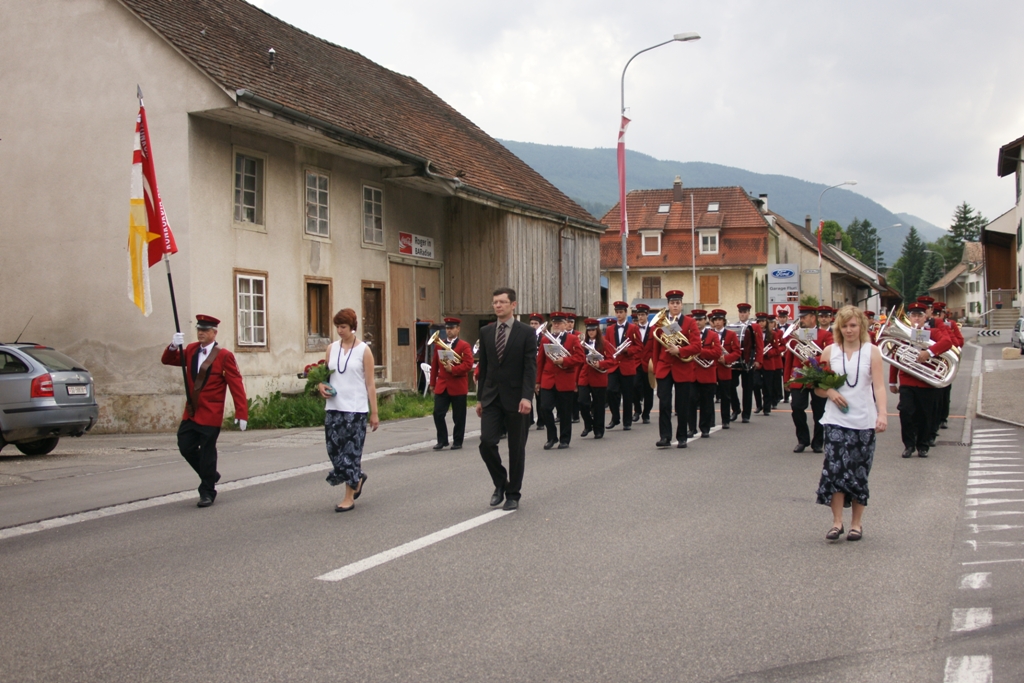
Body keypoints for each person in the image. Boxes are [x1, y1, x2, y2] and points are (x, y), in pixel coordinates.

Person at [815, 305, 887, 542]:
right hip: (835, 420)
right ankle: (837, 523)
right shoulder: (829, 351)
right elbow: (817, 387)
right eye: (844, 326)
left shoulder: (872, 351)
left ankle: (857, 524)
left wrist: (882, 414)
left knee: (858, 472)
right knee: (835, 470)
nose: (849, 330)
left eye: (853, 325)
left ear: (861, 327)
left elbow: (878, 386)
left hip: (863, 421)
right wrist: (831, 392)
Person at [161, 315, 248, 508]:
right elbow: (168, 360)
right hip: (192, 411)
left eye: (205, 330)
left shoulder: (224, 355)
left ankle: (207, 491)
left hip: (211, 413)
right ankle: (210, 474)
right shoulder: (191, 349)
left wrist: (241, 413)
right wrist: (173, 346)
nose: (201, 333)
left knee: (208, 452)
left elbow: (236, 385)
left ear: (214, 333)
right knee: (185, 446)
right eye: (199, 329)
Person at [476, 287, 538, 511]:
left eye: (502, 302)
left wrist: (527, 397)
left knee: (516, 448)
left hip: (516, 398)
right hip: (492, 397)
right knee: (487, 443)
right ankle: (501, 483)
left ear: (513, 305)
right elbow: (484, 367)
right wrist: (480, 398)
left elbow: (530, 367)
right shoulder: (485, 332)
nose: (497, 306)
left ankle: (513, 494)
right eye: (495, 302)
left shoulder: (526, 333)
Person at [318, 308, 379, 512]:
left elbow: (370, 384)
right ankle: (357, 478)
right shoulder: (331, 348)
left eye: (343, 327)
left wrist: (374, 412)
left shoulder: (364, 350)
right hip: (334, 408)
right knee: (334, 450)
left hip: (355, 409)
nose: (339, 330)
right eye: (337, 326)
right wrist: (320, 385)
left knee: (350, 454)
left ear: (352, 327)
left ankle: (348, 496)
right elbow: (324, 376)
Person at [889, 301, 953, 458]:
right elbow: (895, 356)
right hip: (907, 381)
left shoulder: (934, 332)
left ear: (926, 317)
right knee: (906, 411)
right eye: (913, 315)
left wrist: (929, 352)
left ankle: (923, 445)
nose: (916, 319)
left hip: (926, 381)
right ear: (909, 318)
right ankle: (909, 445)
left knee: (925, 415)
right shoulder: (904, 335)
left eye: (920, 315)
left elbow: (948, 342)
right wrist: (892, 381)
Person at [653, 290, 701, 448]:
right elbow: (656, 347)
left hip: (682, 367)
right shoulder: (662, 323)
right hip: (665, 367)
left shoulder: (690, 322)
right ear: (668, 305)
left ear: (681, 305)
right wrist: (655, 369)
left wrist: (680, 351)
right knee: (664, 403)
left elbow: (696, 346)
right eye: (672, 303)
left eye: (677, 303)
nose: (675, 305)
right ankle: (665, 436)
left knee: (682, 404)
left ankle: (681, 437)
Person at [785, 305, 834, 453]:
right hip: (798, 376)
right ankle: (802, 439)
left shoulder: (825, 335)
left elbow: (830, 353)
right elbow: (789, 357)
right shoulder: (797, 335)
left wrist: (813, 359)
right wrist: (786, 378)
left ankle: (818, 442)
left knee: (819, 410)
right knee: (797, 407)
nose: (801, 321)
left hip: (818, 375)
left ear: (813, 318)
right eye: (801, 318)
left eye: (804, 318)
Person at [537, 312, 583, 449]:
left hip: (565, 379)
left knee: (564, 412)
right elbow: (540, 361)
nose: (556, 325)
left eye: (559, 322)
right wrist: (537, 381)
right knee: (545, 408)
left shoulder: (573, 339)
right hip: (548, 379)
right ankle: (552, 437)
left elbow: (580, 358)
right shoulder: (545, 339)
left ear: (565, 324)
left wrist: (565, 360)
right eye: (554, 323)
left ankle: (564, 439)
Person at [430, 317, 474, 451]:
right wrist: (433, 383)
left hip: (458, 385)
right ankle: (442, 440)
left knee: (459, 416)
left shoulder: (464, 345)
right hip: (442, 385)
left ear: (458, 329)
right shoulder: (439, 344)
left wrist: (453, 369)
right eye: (447, 328)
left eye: (452, 328)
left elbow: (468, 364)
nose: (449, 331)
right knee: (438, 413)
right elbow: (435, 365)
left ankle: (457, 440)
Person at [604, 301, 643, 431]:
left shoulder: (633, 328)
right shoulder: (610, 329)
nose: (619, 314)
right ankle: (615, 417)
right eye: (617, 312)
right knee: (610, 390)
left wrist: (628, 350)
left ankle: (627, 421)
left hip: (627, 365)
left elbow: (639, 347)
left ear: (626, 313)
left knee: (627, 395)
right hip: (614, 365)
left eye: (621, 312)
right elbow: (607, 346)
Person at [578, 318, 618, 439]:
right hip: (585, 375)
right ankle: (589, 423)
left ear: (597, 330)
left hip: (599, 376)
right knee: (582, 401)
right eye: (589, 330)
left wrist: (600, 364)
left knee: (599, 405)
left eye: (593, 330)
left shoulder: (604, 343)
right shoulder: (583, 343)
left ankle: (598, 429)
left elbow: (611, 360)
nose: (591, 332)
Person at [689, 310, 722, 438]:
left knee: (706, 403)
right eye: (695, 320)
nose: (697, 322)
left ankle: (705, 427)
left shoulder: (712, 335)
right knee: (690, 401)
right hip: (692, 373)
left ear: (705, 320)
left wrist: (699, 351)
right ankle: (691, 428)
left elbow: (717, 353)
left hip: (707, 373)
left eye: (700, 319)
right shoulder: (689, 335)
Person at [732, 303, 764, 423]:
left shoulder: (755, 327)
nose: (743, 314)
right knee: (731, 386)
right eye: (741, 312)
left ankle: (746, 414)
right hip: (735, 362)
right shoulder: (734, 326)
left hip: (748, 361)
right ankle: (735, 408)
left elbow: (759, 345)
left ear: (749, 313)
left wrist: (758, 360)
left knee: (747, 388)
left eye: (745, 312)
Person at [711, 310, 741, 430]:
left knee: (725, 396)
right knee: (709, 396)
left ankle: (725, 420)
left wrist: (727, 359)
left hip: (724, 368)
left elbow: (737, 352)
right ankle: (711, 420)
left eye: (720, 320)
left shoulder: (731, 334)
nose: (717, 322)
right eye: (715, 320)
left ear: (724, 321)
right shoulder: (709, 334)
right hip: (711, 368)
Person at [632, 303, 655, 424]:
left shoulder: (654, 328)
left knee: (648, 389)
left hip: (649, 363)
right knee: (634, 386)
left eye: (642, 315)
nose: (640, 317)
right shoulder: (633, 329)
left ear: (647, 315)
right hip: (636, 363)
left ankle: (646, 413)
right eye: (638, 315)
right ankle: (637, 410)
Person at [528, 313, 546, 431]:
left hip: (540, 369)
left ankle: (541, 421)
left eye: (536, 324)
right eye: (532, 323)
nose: (533, 326)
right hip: (529, 369)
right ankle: (529, 419)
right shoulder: (527, 335)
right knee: (527, 395)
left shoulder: (544, 337)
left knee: (540, 397)